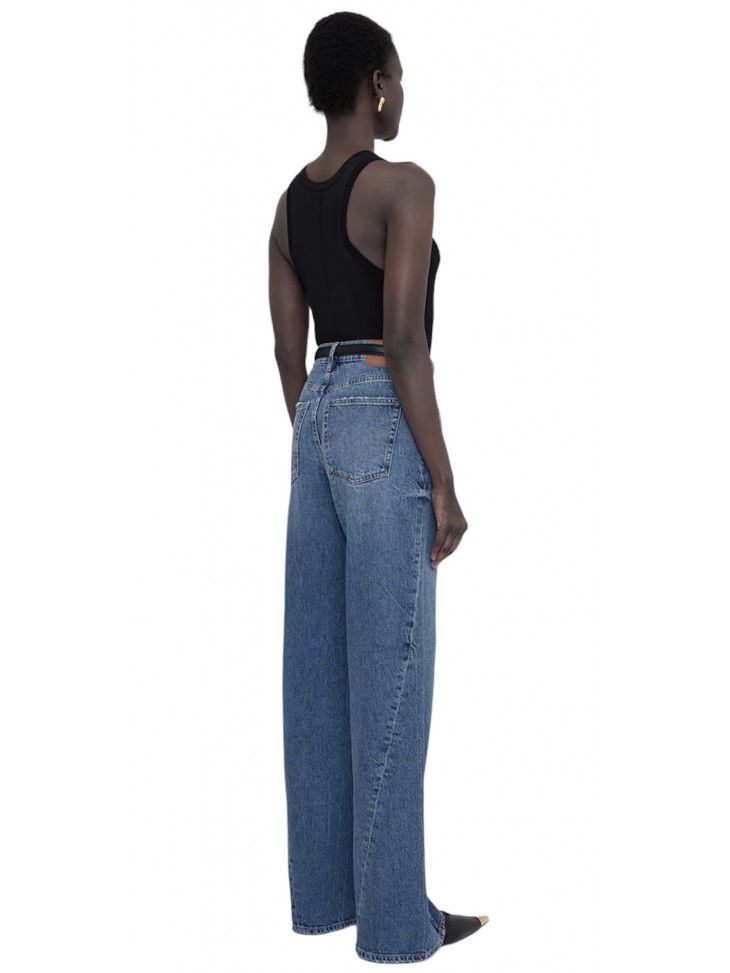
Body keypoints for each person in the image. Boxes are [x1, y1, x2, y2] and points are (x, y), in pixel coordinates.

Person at [268, 12, 488, 965]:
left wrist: (320, 434)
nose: (402, 93)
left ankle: (330, 899)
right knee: (393, 669)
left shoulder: (286, 206)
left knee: (317, 671)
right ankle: (399, 924)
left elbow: (288, 352)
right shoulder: (403, 186)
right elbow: (404, 341)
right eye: (398, 76)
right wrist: (442, 478)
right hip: (377, 403)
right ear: (376, 84)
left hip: (314, 415)